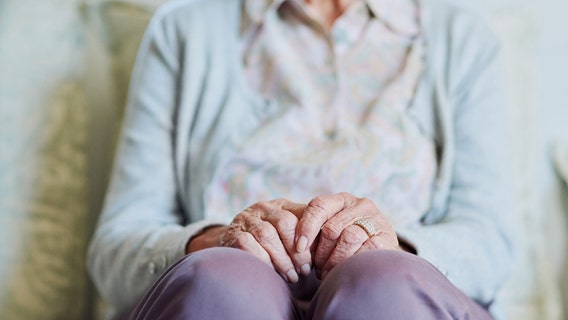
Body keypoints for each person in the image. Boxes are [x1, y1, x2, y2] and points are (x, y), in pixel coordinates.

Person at [87, 0, 517, 318]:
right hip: (222, 299)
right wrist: (217, 241)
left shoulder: (462, 36)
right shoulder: (184, 30)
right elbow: (114, 247)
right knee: (224, 279)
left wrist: (393, 248)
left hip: (402, 300)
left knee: (382, 282)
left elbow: (492, 240)